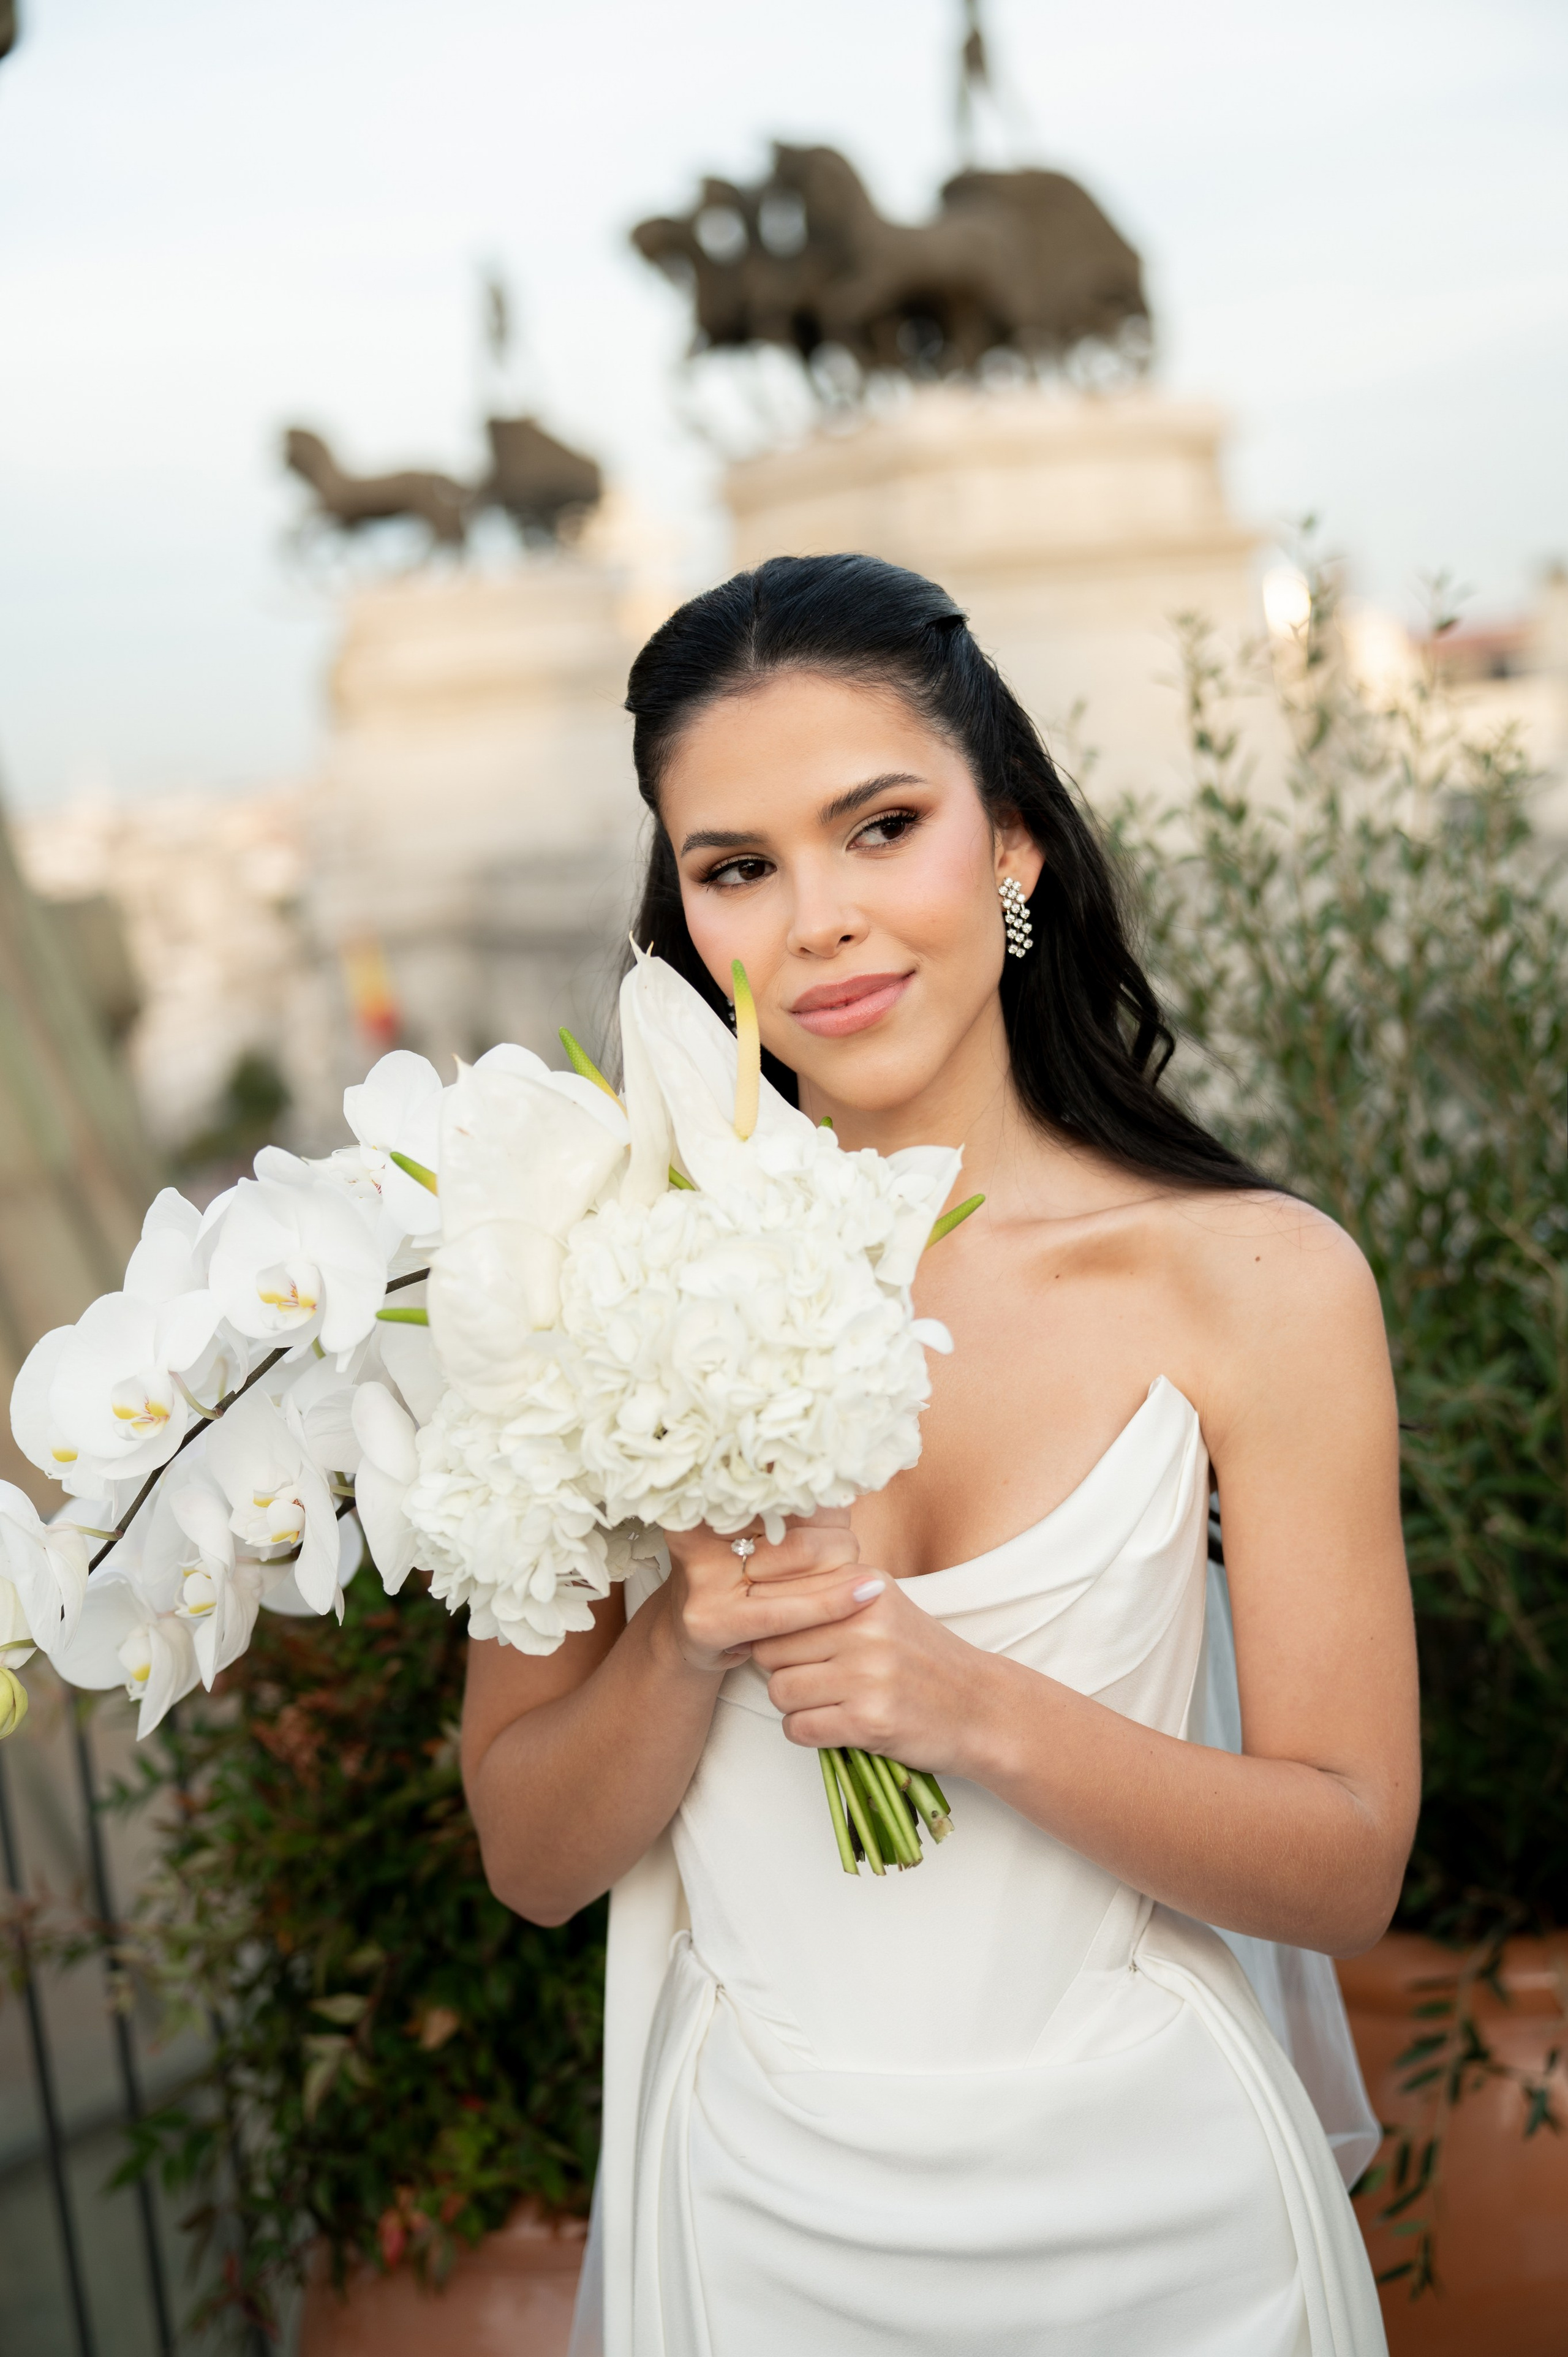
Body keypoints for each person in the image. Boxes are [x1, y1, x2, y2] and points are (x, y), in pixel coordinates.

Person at [462, 554, 1416, 2356]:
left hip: (1173, 2226)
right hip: (755, 2226)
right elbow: (531, 1853)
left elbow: (1349, 1863)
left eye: (880, 826)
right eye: (737, 867)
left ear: (1014, 847)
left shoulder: (1259, 1285)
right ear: (685, 909)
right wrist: (686, 1639)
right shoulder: (592, 1273)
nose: (816, 919)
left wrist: (959, 1702)